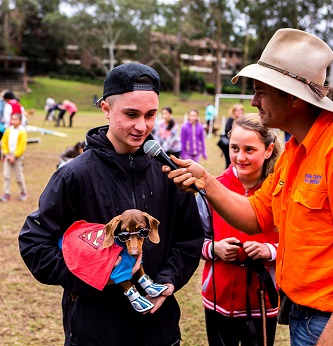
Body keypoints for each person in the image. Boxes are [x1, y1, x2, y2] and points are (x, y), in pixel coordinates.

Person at [164, 28, 333, 346]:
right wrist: (206, 181)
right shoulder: (297, 150)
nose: (252, 101)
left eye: (261, 91)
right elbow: (256, 215)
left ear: (293, 98)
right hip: (308, 316)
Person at [18, 62, 204, 346]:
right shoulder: (73, 175)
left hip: (159, 331)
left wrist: (166, 282)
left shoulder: (170, 173)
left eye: (150, 115)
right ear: (105, 108)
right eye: (131, 114)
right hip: (95, 331)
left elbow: (189, 240)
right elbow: (35, 244)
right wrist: (95, 277)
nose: (142, 126)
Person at [199, 113, 282, 346]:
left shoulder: (280, 191)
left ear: (268, 150)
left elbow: (299, 243)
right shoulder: (212, 189)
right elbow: (192, 239)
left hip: (263, 301)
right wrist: (214, 248)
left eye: (249, 150)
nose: (240, 157)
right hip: (217, 297)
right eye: (234, 148)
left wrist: (270, 251)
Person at [0, 113, 28, 202]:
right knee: (6, 175)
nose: (14, 121)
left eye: (16, 119)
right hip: (8, 156)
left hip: (17, 157)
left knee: (18, 175)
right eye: (12, 119)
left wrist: (15, 156)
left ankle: (23, 192)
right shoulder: (8, 130)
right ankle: (6, 193)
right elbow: (4, 142)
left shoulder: (22, 132)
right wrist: (6, 154)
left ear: (20, 121)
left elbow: (21, 146)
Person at [219, 103, 245, 168]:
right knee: (229, 161)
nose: (240, 112)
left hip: (240, 143)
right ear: (234, 112)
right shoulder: (231, 119)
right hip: (230, 144)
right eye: (238, 110)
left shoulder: (244, 120)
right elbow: (227, 130)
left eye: (241, 110)